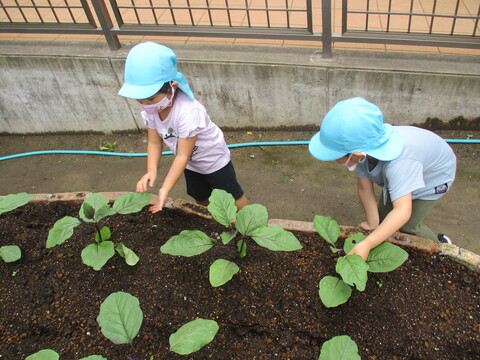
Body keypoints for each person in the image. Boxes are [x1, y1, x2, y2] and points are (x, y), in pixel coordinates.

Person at [308, 97, 456, 261]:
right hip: (411, 168)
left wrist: (367, 244)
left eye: (335, 155)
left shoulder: (399, 164)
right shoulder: (366, 148)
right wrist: (373, 223)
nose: (333, 159)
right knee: (385, 218)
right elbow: (365, 188)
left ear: (355, 154)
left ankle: (441, 247)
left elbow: (402, 211)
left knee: (407, 225)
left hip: (433, 179)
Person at [118, 41, 248, 213]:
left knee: (233, 195)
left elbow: (182, 156)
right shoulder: (152, 110)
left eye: (150, 98)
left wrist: (165, 189)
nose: (146, 105)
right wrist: (151, 170)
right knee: (200, 196)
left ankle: (249, 223)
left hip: (213, 161)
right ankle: (215, 218)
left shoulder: (188, 112)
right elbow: (154, 142)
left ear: (172, 86)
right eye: (139, 100)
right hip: (191, 164)